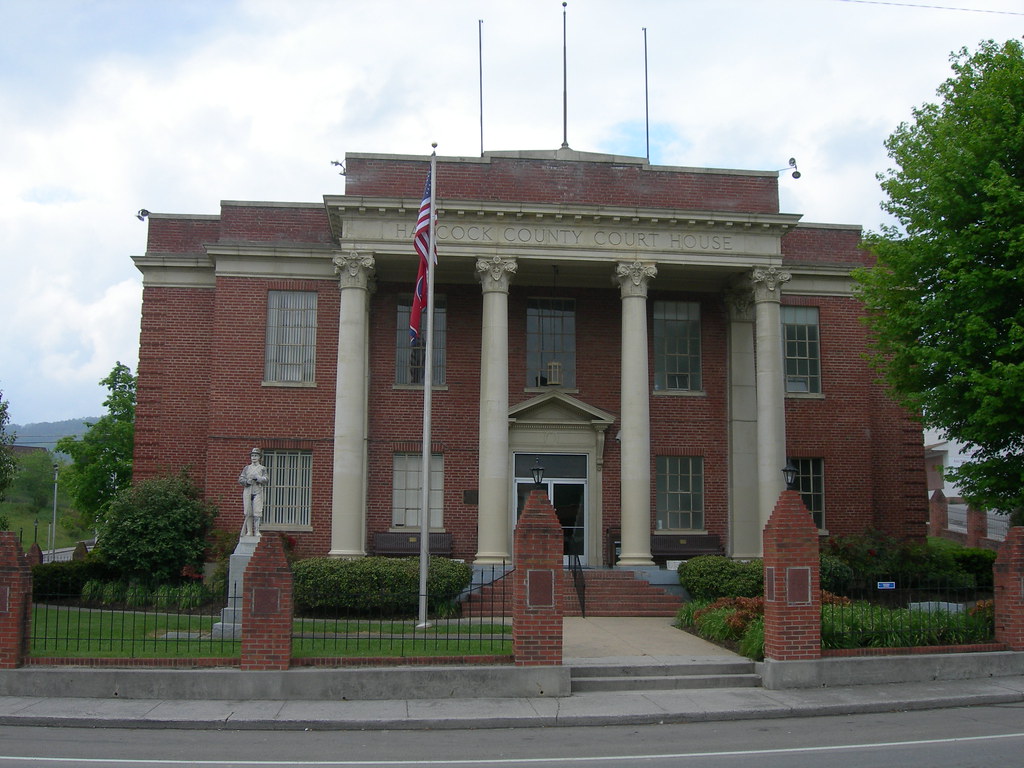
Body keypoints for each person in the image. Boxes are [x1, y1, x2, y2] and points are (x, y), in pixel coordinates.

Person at [239, 447, 269, 537]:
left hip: (258, 491)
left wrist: (258, 478)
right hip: (248, 491)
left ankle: (256, 531)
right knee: (248, 512)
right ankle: (249, 531)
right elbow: (241, 479)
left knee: (257, 511)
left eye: (256, 455)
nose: (254, 457)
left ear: (259, 457)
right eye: (252, 455)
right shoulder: (247, 468)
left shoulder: (262, 468)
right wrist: (247, 481)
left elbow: (266, 479)